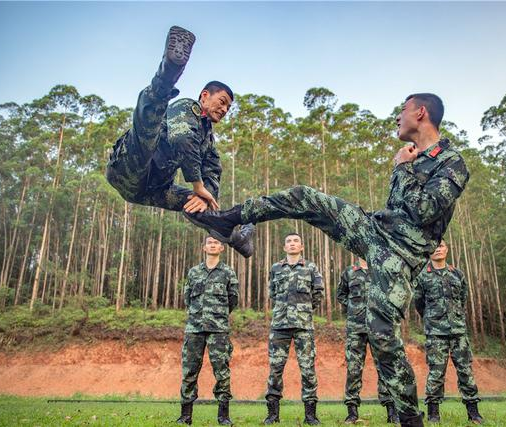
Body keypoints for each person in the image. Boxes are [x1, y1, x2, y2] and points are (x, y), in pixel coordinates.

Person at [190, 93, 470, 427]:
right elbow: (396, 207)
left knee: (381, 333)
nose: (398, 117)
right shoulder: (410, 157)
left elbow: (422, 210)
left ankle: (410, 418)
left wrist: (401, 167)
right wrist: (403, 168)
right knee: (304, 197)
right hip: (375, 232)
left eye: (403, 110)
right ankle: (230, 218)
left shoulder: (451, 161)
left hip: (400, 256)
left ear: (420, 112)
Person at [105, 26, 253, 257]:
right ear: (205, 95)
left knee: (196, 206)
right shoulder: (187, 108)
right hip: (130, 167)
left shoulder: (209, 141)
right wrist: (196, 183)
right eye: (221, 101)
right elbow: (181, 137)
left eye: (228, 107)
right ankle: (170, 70)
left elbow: (213, 172)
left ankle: (238, 238)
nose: (224, 109)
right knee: (148, 127)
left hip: (151, 189)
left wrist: (203, 195)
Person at [413, 240, 484, 424]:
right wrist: (432, 319)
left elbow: (463, 299)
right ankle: (434, 413)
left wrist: (456, 319)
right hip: (435, 334)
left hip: (458, 332)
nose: (438, 249)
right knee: (436, 374)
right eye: (434, 247)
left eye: (441, 246)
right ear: (428, 251)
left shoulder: (457, 274)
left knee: (465, 371)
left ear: (447, 249)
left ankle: (473, 412)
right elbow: (419, 304)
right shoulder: (422, 277)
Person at [263, 233, 324, 425]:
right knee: (275, 370)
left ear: (302, 246)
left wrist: (303, 310)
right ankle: (273, 415)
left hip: (303, 326)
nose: (292, 244)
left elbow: (318, 294)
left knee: (308, 370)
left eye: (296, 241)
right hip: (280, 325)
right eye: (288, 241)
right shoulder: (276, 268)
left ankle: (310, 415)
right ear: (284, 247)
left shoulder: (311, 268)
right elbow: (272, 292)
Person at [178, 236, 239, 425]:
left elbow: (233, 299)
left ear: (222, 248)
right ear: (204, 248)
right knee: (189, 371)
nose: (213, 245)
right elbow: (187, 297)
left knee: (222, 371)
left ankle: (223, 416)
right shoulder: (194, 272)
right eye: (209, 243)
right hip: (194, 329)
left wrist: (218, 316)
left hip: (218, 330)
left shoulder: (228, 272)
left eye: (216, 243)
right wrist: (198, 316)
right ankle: (186, 416)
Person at [337, 257, 398, 424]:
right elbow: (341, 295)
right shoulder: (349, 272)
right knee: (353, 369)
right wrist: (354, 309)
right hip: (356, 329)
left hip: (379, 327)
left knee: (385, 368)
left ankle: (391, 410)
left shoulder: (381, 271)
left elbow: (392, 295)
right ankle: (352, 411)